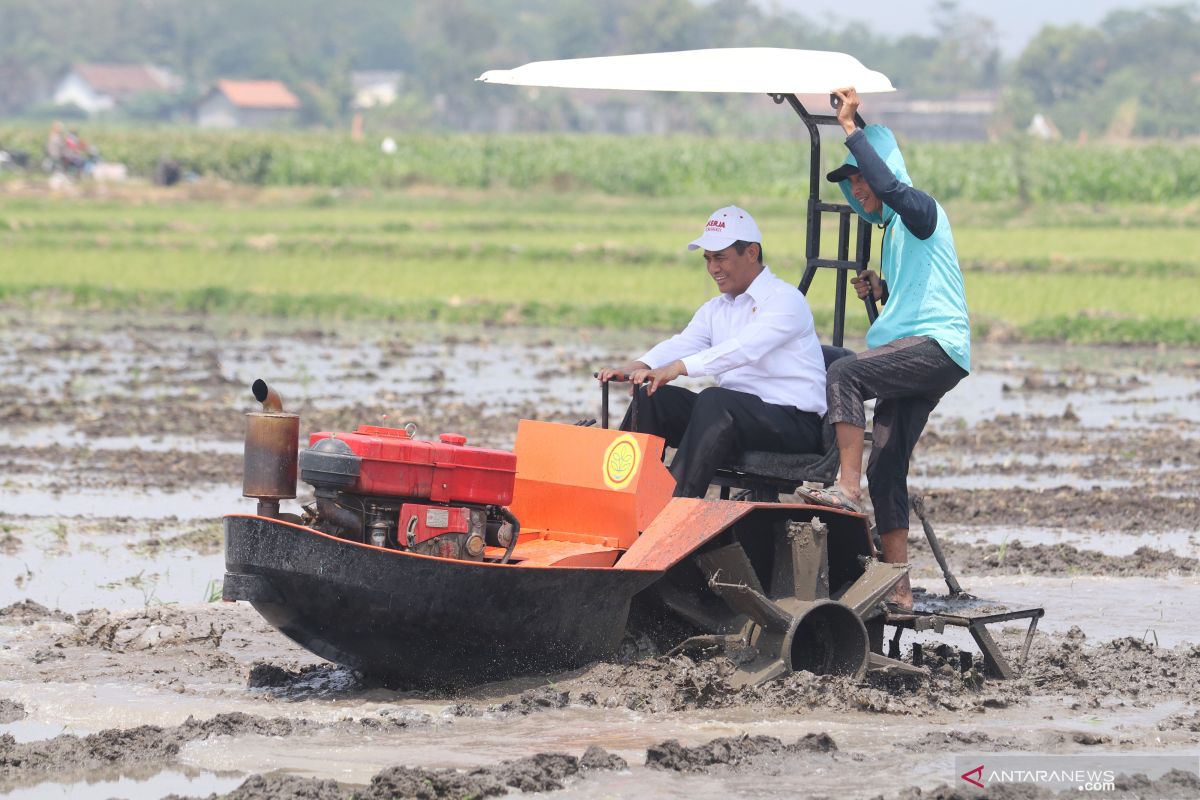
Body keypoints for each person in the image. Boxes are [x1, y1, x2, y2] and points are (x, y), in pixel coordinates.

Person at [799, 87, 971, 610]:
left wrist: (851, 127)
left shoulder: (919, 210)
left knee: (846, 374)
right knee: (888, 466)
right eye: (851, 183)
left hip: (935, 347)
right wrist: (884, 291)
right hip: (923, 351)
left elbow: (892, 188)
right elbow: (920, 296)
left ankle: (845, 487)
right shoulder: (895, 236)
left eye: (861, 177)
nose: (859, 188)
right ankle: (899, 589)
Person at [597, 206, 827, 498]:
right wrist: (638, 365)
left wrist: (677, 368)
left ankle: (670, 508)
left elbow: (744, 349)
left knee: (716, 401)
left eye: (720, 258)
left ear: (752, 253)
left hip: (792, 423)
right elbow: (684, 341)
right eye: (707, 259)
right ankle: (617, 496)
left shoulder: (785, 301)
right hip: (736, 418)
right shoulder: (717, 309)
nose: (712, 268)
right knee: (654, 398)